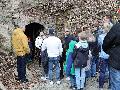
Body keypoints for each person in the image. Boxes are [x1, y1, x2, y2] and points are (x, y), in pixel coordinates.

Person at [103, 22, 120, 90]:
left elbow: (106, 42)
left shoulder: (117, 27)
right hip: (116, 58)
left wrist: (110, 51)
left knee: (116, 84)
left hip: (116, 59)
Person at [98, 22, 111, 90]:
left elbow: (99, 45)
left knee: (102, 72)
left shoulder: (100, 37)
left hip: (103, 56)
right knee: (110, 71)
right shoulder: (113, 36)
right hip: (110, 56)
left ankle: (101, 86)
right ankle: (110, 86)